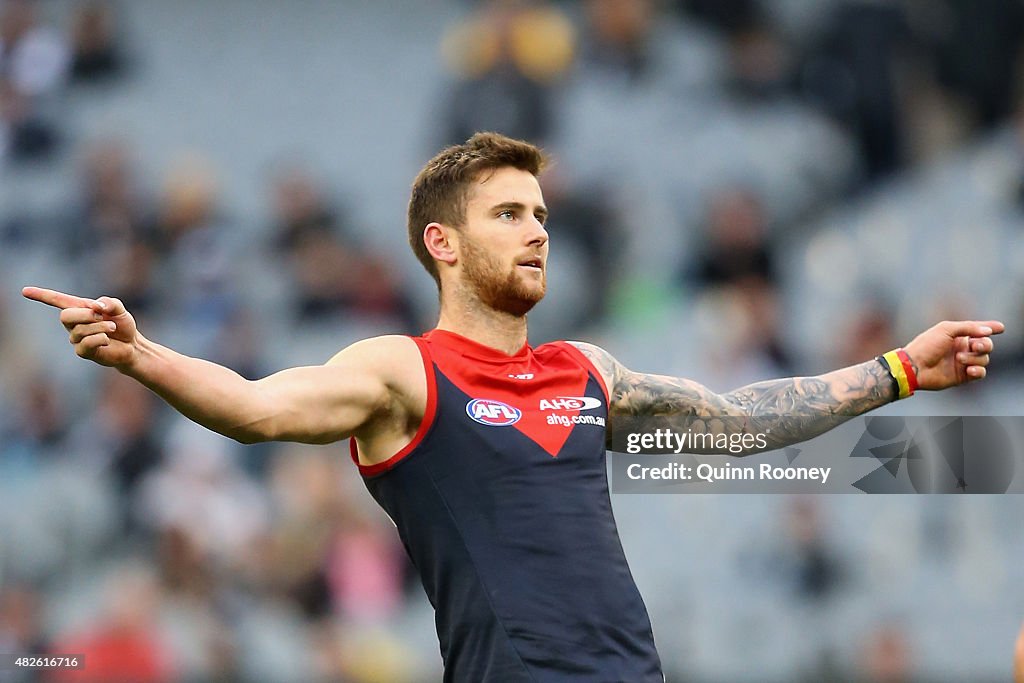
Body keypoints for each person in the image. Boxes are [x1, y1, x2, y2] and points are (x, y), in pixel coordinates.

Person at [23, 132, 1004, 681]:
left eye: (539, 214)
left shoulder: (586, 370)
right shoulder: (404, 370)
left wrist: (899, 370)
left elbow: (739, 419)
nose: (536, 232)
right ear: (442, 244)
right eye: (507, 214)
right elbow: (257, 407)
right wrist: (143, 354)